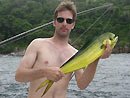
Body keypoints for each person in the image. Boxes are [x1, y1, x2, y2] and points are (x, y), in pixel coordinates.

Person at [15, 1, 111, 98]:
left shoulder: (75, 53)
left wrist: (96, 58)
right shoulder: (37, 44)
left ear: (73, 25)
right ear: (54, 22)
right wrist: (44, 72)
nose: (64, 23)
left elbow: (82, 84)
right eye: (60, 19)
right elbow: (19, 76)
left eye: (69, 21)